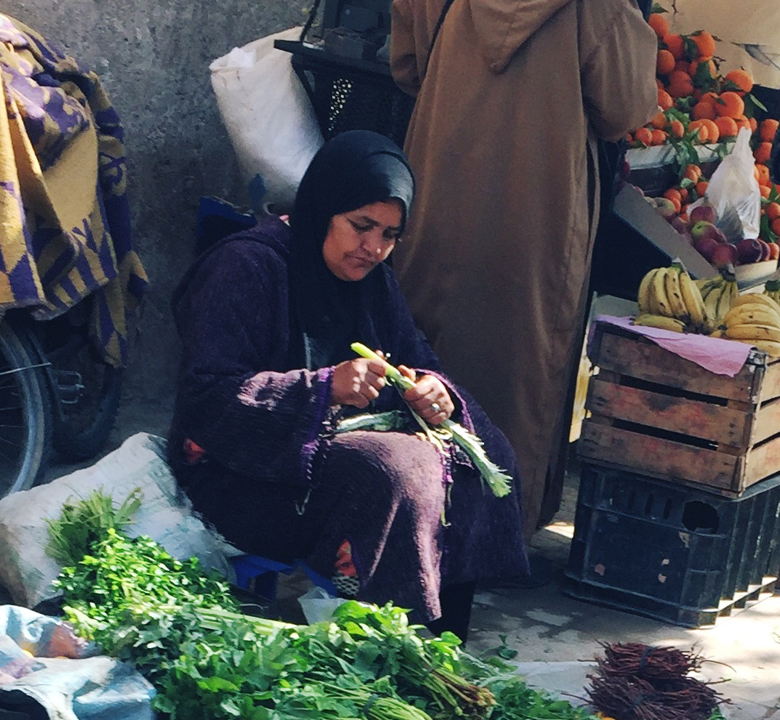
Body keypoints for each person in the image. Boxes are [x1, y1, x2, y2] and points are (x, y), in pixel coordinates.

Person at [167, 130, 528, 641]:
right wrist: (322, 390)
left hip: (329, 454)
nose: (373, 248)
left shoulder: (373, 278)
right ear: (324, 207)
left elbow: (416, 355)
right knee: (396, 470)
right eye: (361, 226)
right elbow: (207, 398)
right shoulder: (245, 266)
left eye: (389, 234)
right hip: (241, 475)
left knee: (479, 448)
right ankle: (390, 644)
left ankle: (443, 639)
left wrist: (430, 388)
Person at [389, 0, 658, 542]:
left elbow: (407, 66)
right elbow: (626, 105)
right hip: (542, 205)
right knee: (525, 354)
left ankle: (405, 509)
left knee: (422, 341)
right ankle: (498, 530)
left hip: (439, 174)